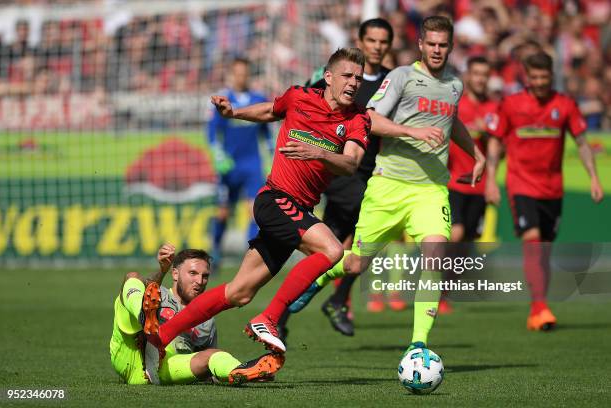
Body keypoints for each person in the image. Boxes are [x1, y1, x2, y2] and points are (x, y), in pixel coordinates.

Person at [142, 47, 446, 379]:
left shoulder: (358, 118)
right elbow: (271, 110)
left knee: (240, 291)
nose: (353, 83)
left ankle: (160, 337)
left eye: (358, 78)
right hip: (274, 199)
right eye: (347, 76)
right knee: (331, 250)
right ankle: (270, 317)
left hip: (297, 210)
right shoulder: (300, 97)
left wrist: (317, 152)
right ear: (328, 77)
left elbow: (351, 163)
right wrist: (235, 113)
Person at [290, 16, 486, 350]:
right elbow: (370, 119)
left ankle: (418, 345)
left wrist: (477, 153)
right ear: (421, 45)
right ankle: (318, 280)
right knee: (354, 262)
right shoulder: (402, 77)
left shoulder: (454, 85)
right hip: (389, 185)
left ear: (451, 47)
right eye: (432, 44)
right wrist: (412, 131)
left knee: (435, 257)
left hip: (431, 189)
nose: (437, 50)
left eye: (444, 45)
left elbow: (451, 119)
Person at [285, 18, 395, 337]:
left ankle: (286, 313)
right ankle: (334, 300)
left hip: (371, 171)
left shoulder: (392, 80)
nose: (377, 46)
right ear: (361, 40)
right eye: (371, 40)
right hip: (341, 169)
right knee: (362, 237)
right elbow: (308, 102)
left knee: (341, 249)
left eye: (383, 41)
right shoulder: (335, 76)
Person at [485, 51, 604, 331]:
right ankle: (540, 307)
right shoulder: (511, 105)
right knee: (534, 241)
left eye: (544, 77)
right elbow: (494, 142)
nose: (539, 82)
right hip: (521, 184)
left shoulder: (564, 105)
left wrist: (594, 179)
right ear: (527, 77)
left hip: (553, 189)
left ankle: (537, 307)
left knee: (545, 251)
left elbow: (583, 143)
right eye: (534, 77)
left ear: (552, 76)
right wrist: (490, 179)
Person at [109, 243, 284, 385]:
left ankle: (241, 370)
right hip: (131, 352)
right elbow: (146, 287)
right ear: (175, 274)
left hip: (163, 370)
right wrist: (162, 270)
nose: (199, 281)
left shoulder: (206, 321)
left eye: (205, 276)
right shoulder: (158, 294)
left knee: (212, 354)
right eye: (192, 273)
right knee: (132, 277)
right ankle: (143, 314)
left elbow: (205, 364)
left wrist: (221, 371)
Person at [441, 55, 500, 314]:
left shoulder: (494, 108)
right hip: (454, 181)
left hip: (480, 184)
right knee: (455, 232)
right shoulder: (457, 104)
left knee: (467, 240)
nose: (480, 79)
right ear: (468, 75)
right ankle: (437, 287)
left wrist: (493, 182)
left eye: (484, 74)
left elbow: (498, 146)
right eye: (476, 73)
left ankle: (446, 292)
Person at [207, 58, 273, 268]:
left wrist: (272, 150)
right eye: (237, 73)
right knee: (223, 212)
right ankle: (215, 250)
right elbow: (211, 131)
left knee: (254, 211)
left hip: (252, 165)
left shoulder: (258, 98)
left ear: (249, 75)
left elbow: (266, 130)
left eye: (244, 73)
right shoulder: (222, 100)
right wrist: (217, 153)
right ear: (231, 74)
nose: (241, 77)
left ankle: (250, 257)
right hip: (229, 165)